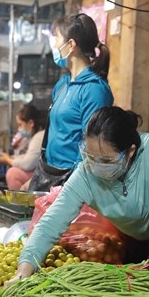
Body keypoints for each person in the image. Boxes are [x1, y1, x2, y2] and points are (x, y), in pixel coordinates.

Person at [10, 106, 149, 286]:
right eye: (90, 156)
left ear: (130, 152)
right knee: (128, 280)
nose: (96, 165)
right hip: (133, 229)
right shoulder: (86, 173)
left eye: (106, 160)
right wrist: (25, 267)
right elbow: (52, 221)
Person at [27, 13, 113, 191]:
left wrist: (70, 190)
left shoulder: (95, 90)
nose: (54, 45)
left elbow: (91, 146)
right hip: (49, 174)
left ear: (71, 45)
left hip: (70, 182)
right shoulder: (63, 84)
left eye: (56, 38)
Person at [0, 105, 45, 190]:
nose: (19, 129)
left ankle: (18, 202)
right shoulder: (32, 136)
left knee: (13, 174)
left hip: (43, 177)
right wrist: (12, 157)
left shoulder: (39, 137)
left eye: (20, 124)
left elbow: (28, 164)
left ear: (31, 123)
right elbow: (26, 156)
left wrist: (8, 160)